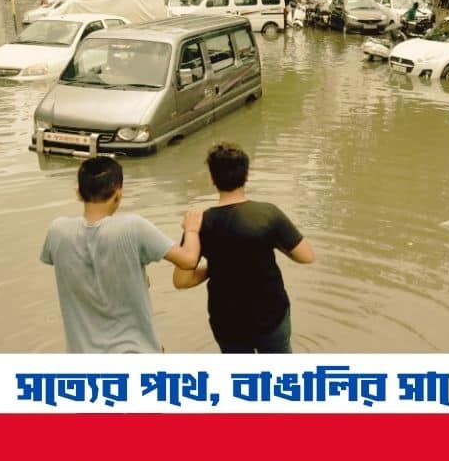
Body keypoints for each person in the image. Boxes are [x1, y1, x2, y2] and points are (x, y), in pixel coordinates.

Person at [39, 156, 203, 353]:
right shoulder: (133, 227)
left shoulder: (58, 231)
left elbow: (89, 273)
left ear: (78, 193)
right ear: (118, 193)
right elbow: (189, 260)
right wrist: (191, 229)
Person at [173, 142, 314, 353]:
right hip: (271, 315)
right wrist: (275, 242)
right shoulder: (268, 214)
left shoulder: (199, 222)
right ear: (246, 176)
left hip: (227, 321)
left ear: (212, 179)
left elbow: (181, 281)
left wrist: (215, 268)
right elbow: (306, 256)